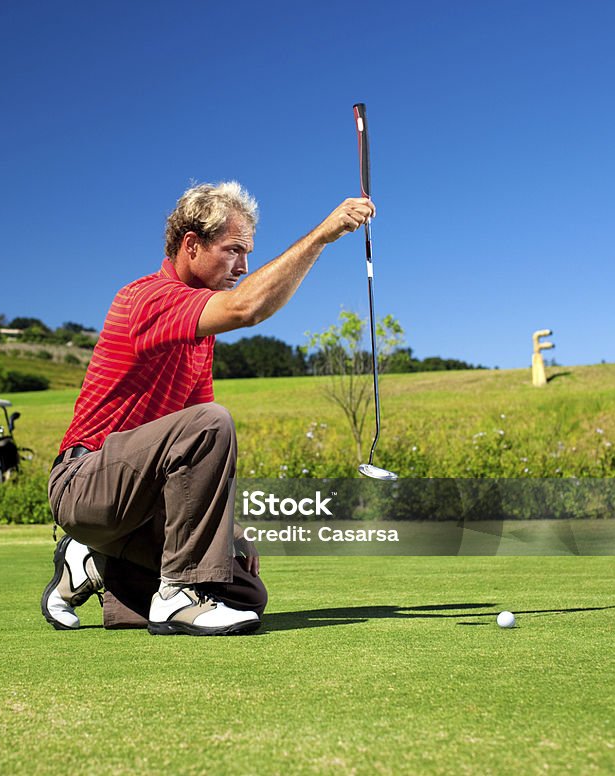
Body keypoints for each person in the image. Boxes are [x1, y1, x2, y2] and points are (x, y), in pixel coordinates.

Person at [41, 181, 374, 635]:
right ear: (192, 245)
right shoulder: (145, 299)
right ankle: (175, 595)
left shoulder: (199, 336)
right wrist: (323, 235)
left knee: (244, 594)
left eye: (248, 253)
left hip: (139, 506)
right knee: (211, 423)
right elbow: (245, 309)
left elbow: (195, 455)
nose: (244, 265)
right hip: (85, 486)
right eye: (234, 250)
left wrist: (229, 527)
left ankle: (93, 561)